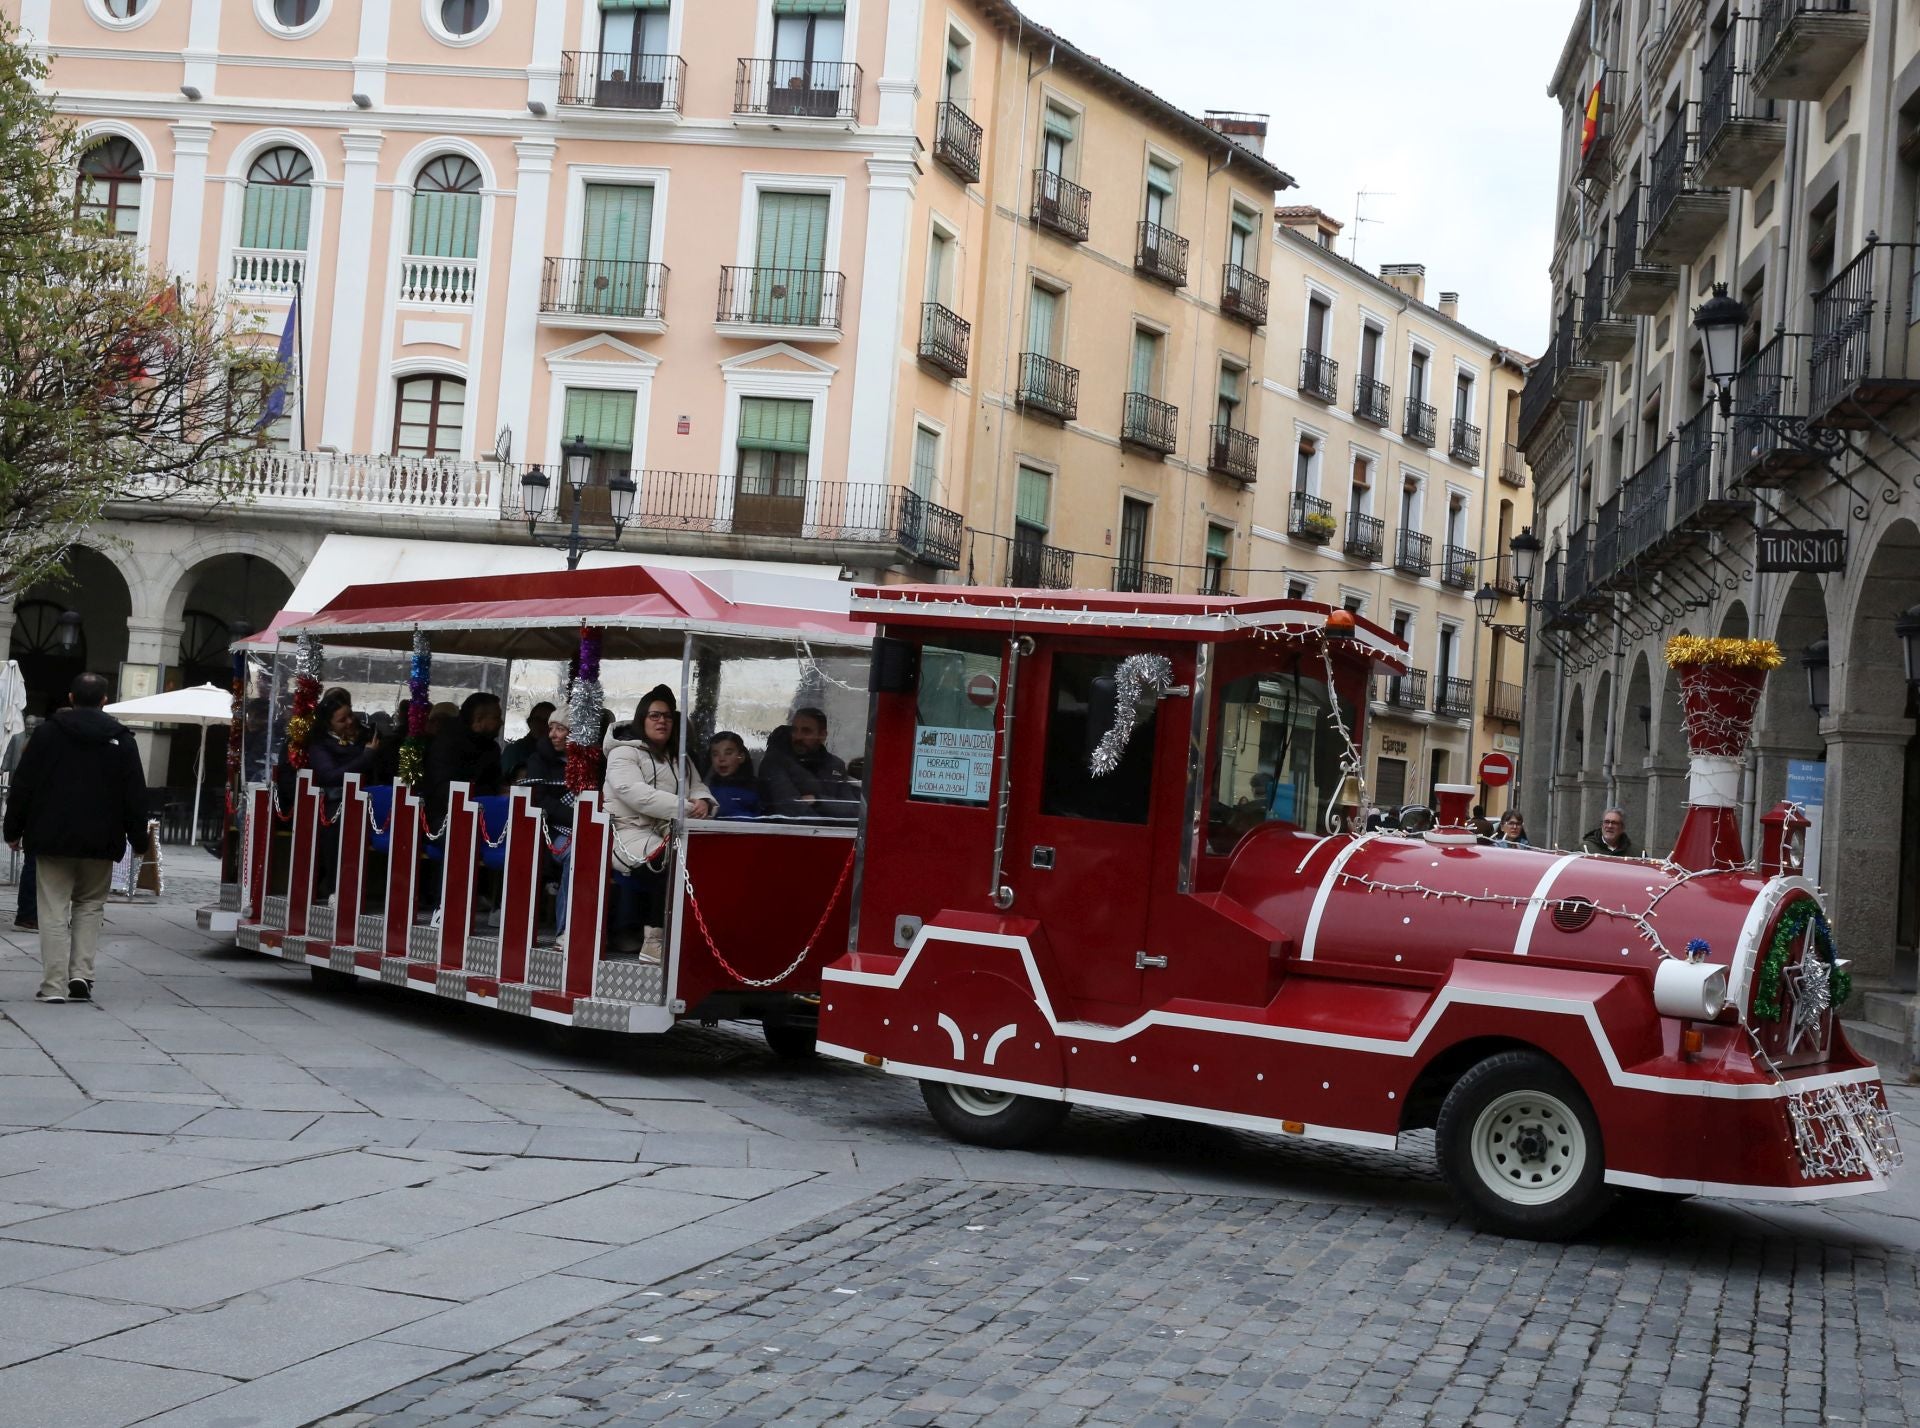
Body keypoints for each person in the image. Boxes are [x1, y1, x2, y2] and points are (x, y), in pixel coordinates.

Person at [3, 672, 149, 1003]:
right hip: (101, 839)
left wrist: (12, 830)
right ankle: (81, 974)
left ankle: (53, 985)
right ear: (104, 701)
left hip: (52, 836)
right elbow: (135, 796)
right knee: (90, 906)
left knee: (53, 910)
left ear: (70, 698)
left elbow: (23, 787)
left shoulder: (46, 735)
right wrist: (139, 841)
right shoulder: (122, 740)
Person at [603, 686, 712, 956]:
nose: (661, 721)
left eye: (667, 716)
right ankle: (654, 942)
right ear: (642, 719)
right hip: (627, 835)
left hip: (670, 832)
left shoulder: (679, 758)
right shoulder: (623, 753)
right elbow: (638, 795)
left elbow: (698, 787)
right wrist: (687, 808)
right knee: (670, 862)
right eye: (654, 715)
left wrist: (704, 803)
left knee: (702, 861)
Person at [758, 706, 860, 819]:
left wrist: (816, 800)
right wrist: (830, 818)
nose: (798, 737)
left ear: (822, 735)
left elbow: (853, 811)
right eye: (795, 730)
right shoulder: (775, 763)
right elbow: (793, 811)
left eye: (806, 731)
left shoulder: (835, 765)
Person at [423, 692, 504, 828]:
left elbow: (496, 782)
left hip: (483, 814)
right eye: (496, 717)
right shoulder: (447, 744)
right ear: (478, 720)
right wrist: (492, 794)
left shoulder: (492, 748)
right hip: (444, 818)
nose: (501, 722)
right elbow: (445, 792)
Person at [307, 691, 381, 794]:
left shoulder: (365, 734)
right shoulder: (320, 745)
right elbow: (329, 777)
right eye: (342, 720)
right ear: (329, 724)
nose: (350, 721)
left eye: (350, 715)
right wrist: (365, 758)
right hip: (339, 802)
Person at [521, 712, 572, 824]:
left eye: (559, 729)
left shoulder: (589, 762)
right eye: (551, 729)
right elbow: (539, 799)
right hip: (550, 826)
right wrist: (576, 817)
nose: (551, 735)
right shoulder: (538, 760)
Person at [704, 732, 762, 820]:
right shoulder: (706, 790)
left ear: (741, 757)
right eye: (715, 754)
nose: (721, 759)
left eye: (728, 753)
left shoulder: (756, 788)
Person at [500, 702, 555, 783]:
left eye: (547, 721)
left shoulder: (560, 753)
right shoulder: (513, 750)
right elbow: (503, 783)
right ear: (529, 722)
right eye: (537, 719)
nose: (541, 724)